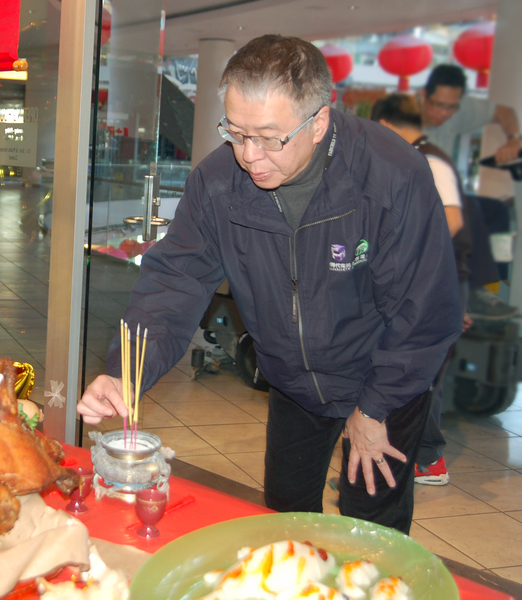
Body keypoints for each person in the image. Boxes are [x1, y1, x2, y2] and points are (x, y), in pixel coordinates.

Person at [78, 35, 462, 534]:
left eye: (268, 137)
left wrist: (375, 408)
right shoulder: (219, 182)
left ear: (319, 122)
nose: (249, 156)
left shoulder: (392, 175)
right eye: (235, 133)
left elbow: (425, 308)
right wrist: (128, 371)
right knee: (285, 513)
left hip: (383, 375)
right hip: (293, 379)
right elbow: (175, 280)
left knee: (372, 525)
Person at [372, 93, 476, 486]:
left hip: (436, 279)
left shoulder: (428, 159)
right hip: (426, 277)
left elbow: (450, 221)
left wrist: (405, 262)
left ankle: (428, 459)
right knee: (408, 369)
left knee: (421, 369)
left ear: (383, 125)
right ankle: (408, 457)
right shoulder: (418, 157)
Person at [420, 64, 521, 321]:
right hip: (415, 201)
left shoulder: (459, 111)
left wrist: (515, 138)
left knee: (497, 209)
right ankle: (474, 292)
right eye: (438, 104)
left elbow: (504, 111)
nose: (443, 113)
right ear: (423, 95)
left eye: (451, 107)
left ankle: (492, 287)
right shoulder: (404, 118)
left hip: (447, 198)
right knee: (470, 208)